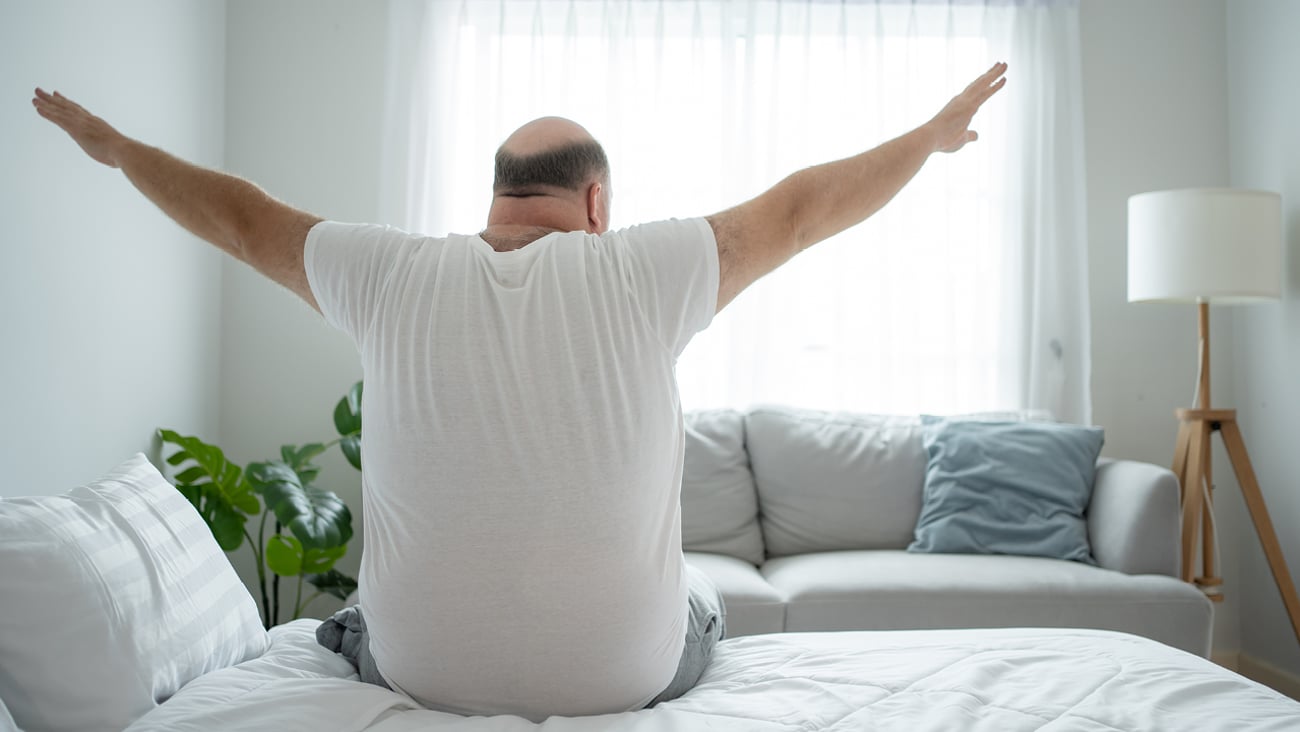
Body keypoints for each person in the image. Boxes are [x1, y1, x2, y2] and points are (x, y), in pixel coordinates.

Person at [32, 61, 1006, 721]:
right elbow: (799, 210)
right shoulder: (643, 269)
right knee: (698, 596)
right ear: (597, 204)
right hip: (625, 683)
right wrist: (927, 136)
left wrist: (119, 149)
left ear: (495, 195)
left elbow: (243, 221)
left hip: (419, 677)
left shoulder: (387, 273)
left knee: (351, 622)